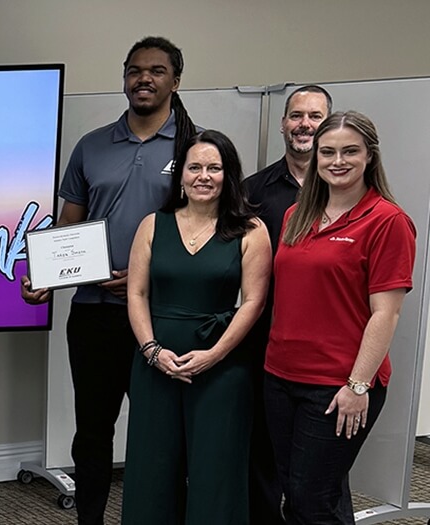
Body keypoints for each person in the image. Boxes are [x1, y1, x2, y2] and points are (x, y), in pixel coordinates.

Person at [20, 36, 198, 525]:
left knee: (158, 433)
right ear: (124, 78)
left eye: (157, 71)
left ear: (175, 81)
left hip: (162, 317)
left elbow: (204, 230)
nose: (144, 78)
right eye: (135, 70)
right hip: (95, 314)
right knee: (92, 432)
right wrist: (44, 275)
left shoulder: (194, 148)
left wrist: (146, 275)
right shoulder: (92, 145)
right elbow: (68, 226)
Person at [264, 111, 415, 525]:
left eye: (350, 151)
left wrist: (358, 385)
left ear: (370, 156)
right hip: (280, 376)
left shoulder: (388, 221)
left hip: (337, 385)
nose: (337, 161)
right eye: (327, 152)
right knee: (301, 493)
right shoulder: (298, 216)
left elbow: (387, 312)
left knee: (311, 499)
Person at [121, 130, 271, 523]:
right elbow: (137, 294)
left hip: (222, 366)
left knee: (216, 472)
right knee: (151, 470)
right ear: (181, 175)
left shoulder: (251, 230)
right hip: (156, 364)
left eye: (214, 168)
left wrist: (214, 355)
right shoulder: (153, 225)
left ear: (229, 175)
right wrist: (151, 351)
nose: (204, 176)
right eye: (195, 167)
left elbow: (254, 302)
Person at [241, 84, 332, 524]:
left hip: (326, 354)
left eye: (315, 116)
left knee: (320, 472)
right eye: (297, 115)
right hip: (263, 345)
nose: (305, 124)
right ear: (283, 124)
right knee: (261, 457)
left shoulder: (350, 192)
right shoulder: (253, 192)